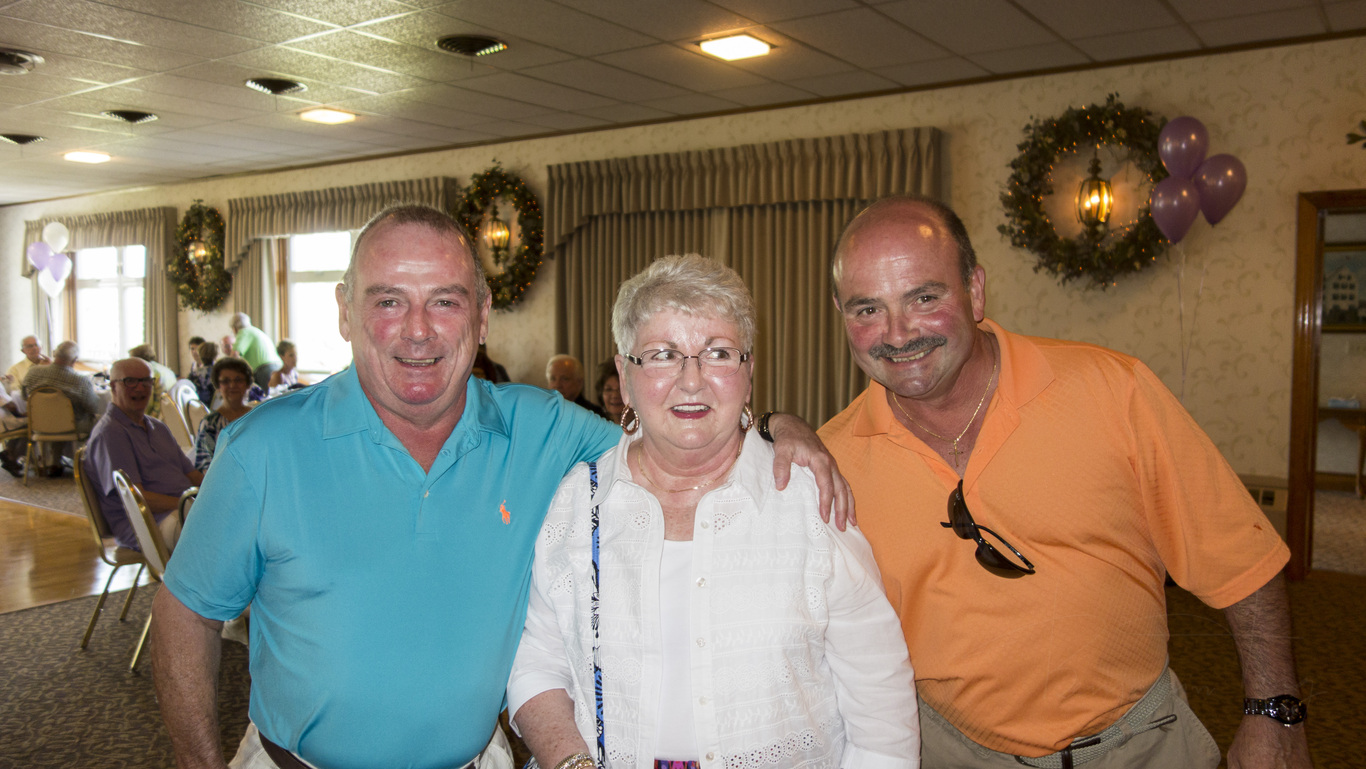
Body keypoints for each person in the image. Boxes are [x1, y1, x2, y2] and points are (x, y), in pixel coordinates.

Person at [150, 204, 849, 769]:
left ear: (482, 316)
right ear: (344, 310)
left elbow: (675, 437)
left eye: (445, 302)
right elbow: (186, 612)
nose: (418, 332)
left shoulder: (543, 429)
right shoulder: (263, 449)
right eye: (388, 300)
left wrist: (775, 425)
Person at [818, 196, 1311, 769]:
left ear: (975, 291)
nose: (898, 333)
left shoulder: (1112, 391)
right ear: (840, 313)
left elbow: (1241, 559)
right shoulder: (831, 463)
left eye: (924, 298)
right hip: (948, 751)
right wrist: (772, 425)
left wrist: (1275, 711)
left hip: (1141, 747)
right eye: (867, 309)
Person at [509, 255, 918, 769]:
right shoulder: (576, 501)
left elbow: (881, 715)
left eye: (718, 353)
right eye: (662, 355)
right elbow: (538, 660)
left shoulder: (808, 501)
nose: (692, 381)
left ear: (749, 373)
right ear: (625, 376)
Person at [84, 357, 203, 552]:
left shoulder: (158, 427)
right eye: (130, 381)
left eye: (146, 381)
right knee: (222, 532)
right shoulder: (111, 433)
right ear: (113, 387)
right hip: (147, 524)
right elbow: (137, 498)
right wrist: (189, 505)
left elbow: (193, 475)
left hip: (181, 510)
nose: (140, 388)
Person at [193, 357, 253, 471]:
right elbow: (205, 466)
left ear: (247, 384)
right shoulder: (210, 424)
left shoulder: (257, 418)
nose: (232, 385)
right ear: (218, 386)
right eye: (225, 381)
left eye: (238, 380)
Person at [222, 312, 283, 389]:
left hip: (265, 370)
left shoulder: (243, 332)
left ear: (234, 328)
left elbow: (234, 356)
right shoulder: (256, 331)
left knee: (265, 396)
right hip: (277, 367)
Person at [546, 353, 607, 418]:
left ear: (579, 382)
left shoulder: (593, 415)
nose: (557, 385)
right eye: (552, 379)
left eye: (564, 379)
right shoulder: (543, 411)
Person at [130, 344, 179, 418]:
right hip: (173, 415)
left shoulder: (148, 372)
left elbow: (149, 403)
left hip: (158, 417)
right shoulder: (166, 370)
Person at [0, 385, 26, 477]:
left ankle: (8, 453)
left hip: (4, 422)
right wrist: (20, 414)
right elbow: (9, 406)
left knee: (21, 428)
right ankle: (12, 458)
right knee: (33, 427)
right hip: (3, 422)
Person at [593, 358, 625, 424]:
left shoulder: (643, 427)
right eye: (608, 389)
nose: (615, 395)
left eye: (620, 389)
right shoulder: (598, 425)